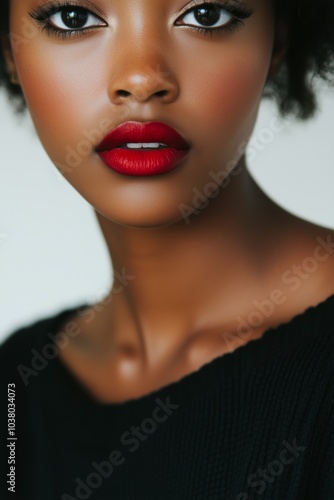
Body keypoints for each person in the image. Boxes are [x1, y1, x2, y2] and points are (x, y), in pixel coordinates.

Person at [1, 0, 334, 498]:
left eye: (206, 16)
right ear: (10, 49)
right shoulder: (17, 386)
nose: (141, 78)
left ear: (278, 40)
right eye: (73, 18)